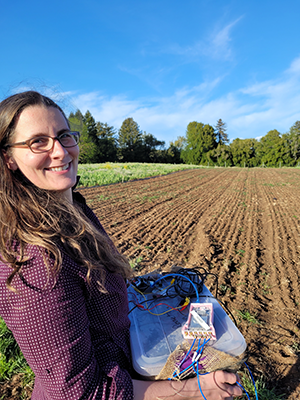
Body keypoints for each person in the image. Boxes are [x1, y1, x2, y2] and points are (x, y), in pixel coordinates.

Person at [0, 90, 243, 400]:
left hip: (127, 372)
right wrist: (195, 390)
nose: (60, 152)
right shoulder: (34, 262)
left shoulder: (74, 210)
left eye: (63, 136)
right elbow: (79, 394)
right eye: (38, 142)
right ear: (9, 158)